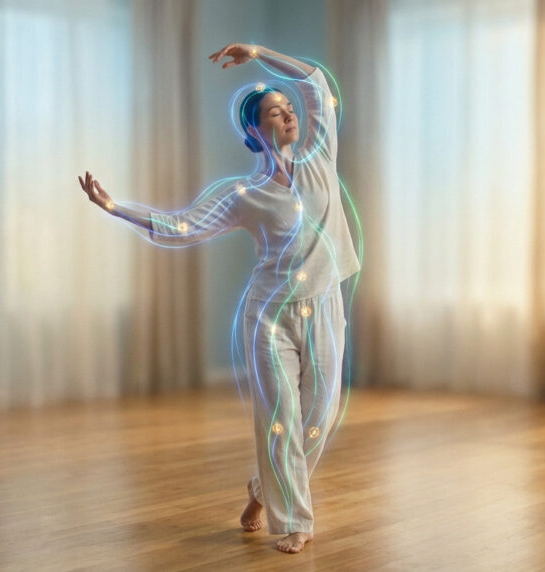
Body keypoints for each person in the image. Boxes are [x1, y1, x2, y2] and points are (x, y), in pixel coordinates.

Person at [77, 43, 360, 555]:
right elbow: (182, 225)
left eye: (289, 108)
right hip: (270, 317)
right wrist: (115, 207)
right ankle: (295, 520)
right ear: (255, 130)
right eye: (275, 112)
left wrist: (260, 53)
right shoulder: (244, 196)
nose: (289, 115)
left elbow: (317, 83)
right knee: (281, 419)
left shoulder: (321, 159)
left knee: (319, 416)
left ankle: (261, 490)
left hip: (324, 305)